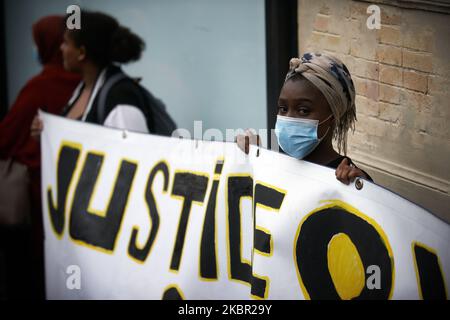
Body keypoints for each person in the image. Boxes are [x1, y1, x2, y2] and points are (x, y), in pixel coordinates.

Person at [0, 15, 81, 299]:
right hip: (73, 198)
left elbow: (5, 137)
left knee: (33, 271)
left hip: (37, 197)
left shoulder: (40, 86)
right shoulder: (86, 85)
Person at [237, 52, 372, 184]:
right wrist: (249, 157)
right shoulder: (274, 161)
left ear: (332, 116)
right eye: (283, 109)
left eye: (303, 110)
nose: (289, 118)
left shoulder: (347, 178)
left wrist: (364, 187)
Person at [31, 10, 151, 137]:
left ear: (81, 53)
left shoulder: (120, 97)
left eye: (66, 42)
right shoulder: (83, 88)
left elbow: (133, 150)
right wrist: (47, 133)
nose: (61, 48)